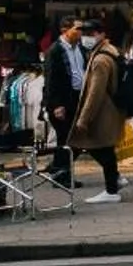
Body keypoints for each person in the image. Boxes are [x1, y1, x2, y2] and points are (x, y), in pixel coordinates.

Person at [70, 18, 129, 204]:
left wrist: (84, 119)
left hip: (103, 111)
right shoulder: (110, 52)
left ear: (102, 34)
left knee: (99, 146)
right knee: (104, 148)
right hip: (110, 110)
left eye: (91, 33)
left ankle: (112, 190)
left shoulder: (100, 60)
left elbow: (95, 92)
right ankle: (115, 183)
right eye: (84, 34)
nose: (87, 37)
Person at [40, 15, 85, 187]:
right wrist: (57, 105)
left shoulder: (79, 49)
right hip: (62, 101)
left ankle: (58, 168)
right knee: (65, 139)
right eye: (77, 29)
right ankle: (62, 175)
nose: (80, 32)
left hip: (76, 97)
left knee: (75, 139)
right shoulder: (55, 51)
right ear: (65, 30)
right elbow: (51, 80)